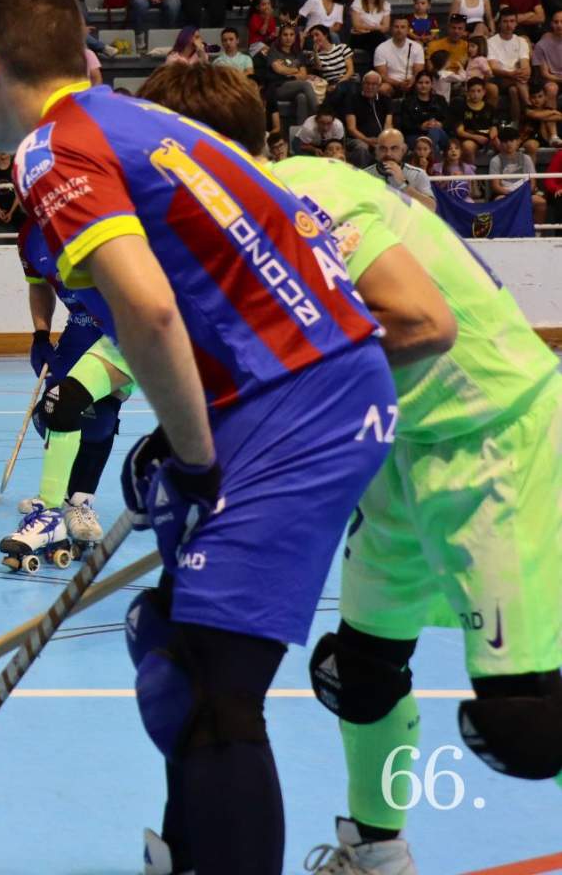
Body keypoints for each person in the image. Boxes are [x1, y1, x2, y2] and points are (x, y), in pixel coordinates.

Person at [0, 0, 397, 874]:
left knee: (209, 697)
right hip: (299, 386)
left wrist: (196, 461)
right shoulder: (132, 120)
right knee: (168, 644)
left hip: (298, 400)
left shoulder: (52, 149)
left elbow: (148, 311)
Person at [143, 61, 562, 875]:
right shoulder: (237, 240)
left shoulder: (306, 194)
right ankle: (376, 853)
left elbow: (418, 323)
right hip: (401, 450)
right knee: (359, 673)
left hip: (489, 438)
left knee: (524, 722)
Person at [0, 220, 134, 573]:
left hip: (130, 326)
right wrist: (41, 335)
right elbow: (40, 285)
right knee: (54, 411)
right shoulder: (29, 234)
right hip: (81, 326)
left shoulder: (106, 219)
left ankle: (76, 502)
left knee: (98, 418)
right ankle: (59, 504)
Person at [364, 127, 437, 208]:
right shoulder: (364, 175)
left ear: (403, 150)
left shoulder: (418, 174)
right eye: (383, 148)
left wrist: (404, 184)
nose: (388, 154)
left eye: (394, 148)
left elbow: (431, 207)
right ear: (376, 151)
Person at [397, 69, 450, 150]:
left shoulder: (440, 100)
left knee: (434, 131)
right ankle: (432, 159)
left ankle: (428, 157)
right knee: (430, 144)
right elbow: (404, 125)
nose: (423, 85)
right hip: (415, 135)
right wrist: (421, 127)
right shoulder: (407, 102)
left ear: (432, 84)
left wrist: (440, 124)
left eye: (427, 83)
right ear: (415, 84)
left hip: (439, 134)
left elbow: (450, 121)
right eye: (420, 83)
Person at [372, 15, 424, 96]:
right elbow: (382, 75)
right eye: (396, 27)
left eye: (403, 27)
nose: (399, 30)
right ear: (391, 29)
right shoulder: (381, 48)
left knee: (425, 85)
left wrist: (411, 82)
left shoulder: (417, 47)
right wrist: (399, 84)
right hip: (391, 84)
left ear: (408, 30)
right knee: (383, 88)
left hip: (412, 84)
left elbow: (418, 72)